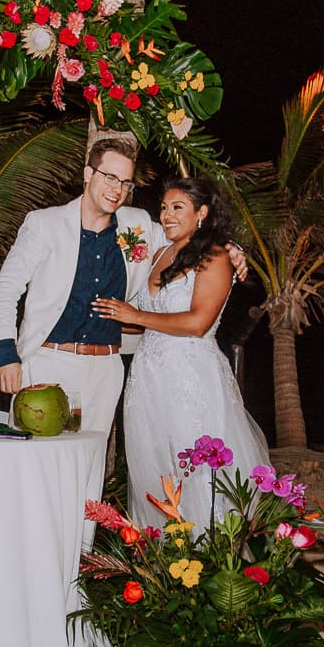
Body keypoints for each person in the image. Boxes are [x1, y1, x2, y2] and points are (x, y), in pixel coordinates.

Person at [92, 176, 272, 526]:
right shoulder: (160, 253)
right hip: (147, 378)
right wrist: (106, 316)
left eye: (178, 207)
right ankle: (168, 564)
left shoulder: (216, 255)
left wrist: (134, 314)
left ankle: (211, 560)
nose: (167, 215)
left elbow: (198, 322)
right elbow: (144, 321)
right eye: (163, 207)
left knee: (198, 473)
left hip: (190, 376)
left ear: (201, 212)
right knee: (156, 469)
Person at [0, 138, 165, 433]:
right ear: (88, 174)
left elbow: (182, 243)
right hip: (47, 362)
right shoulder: (44, 224)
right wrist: (6, 355)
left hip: (106, 370)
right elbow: (6, 287)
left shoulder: (139, 224)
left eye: (125, 183)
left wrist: (228, 249)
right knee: (34, 467)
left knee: (88, 470)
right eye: (110, 177)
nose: (117, 190)